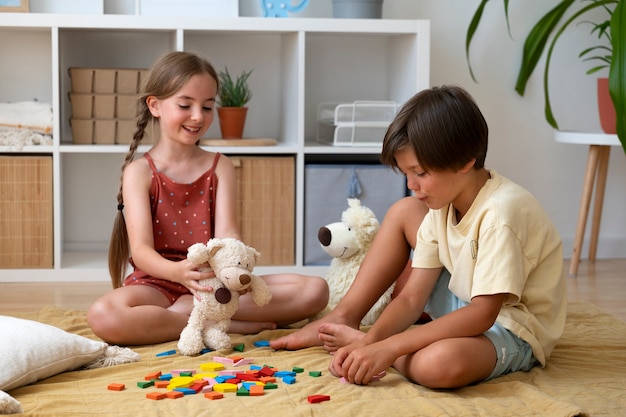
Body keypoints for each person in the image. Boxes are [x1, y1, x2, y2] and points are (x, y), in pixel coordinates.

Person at [271, 85, 566, 390]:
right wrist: (370, 344)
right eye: (406, 174)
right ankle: (345, 318)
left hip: (509, 325)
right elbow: (412, 297)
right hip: (464, 300)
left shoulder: (501, 215)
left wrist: (389, 348)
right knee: (404, 210)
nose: (412, 184)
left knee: (437, 365)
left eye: (421, 173)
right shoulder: (443, 202)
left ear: (465, 160)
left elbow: (482, 315)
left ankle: (377, 343)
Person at [87, 51, 328, 346]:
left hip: (216, 284)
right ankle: (222, 321)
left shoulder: (220, 165)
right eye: (185, 105)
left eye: (208, 106)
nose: (198, 116)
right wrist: (178, 272)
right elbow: (141, 252)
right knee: (103, 315)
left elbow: (228, 235)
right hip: (157, 285)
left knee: (315, 290)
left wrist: (231, 272)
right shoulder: (139, 172)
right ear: (155, 105)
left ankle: (201, 314)